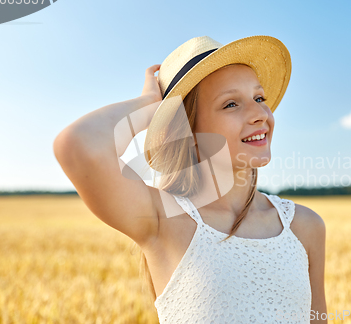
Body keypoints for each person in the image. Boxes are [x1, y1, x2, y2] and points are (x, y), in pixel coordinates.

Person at [53, 35, 327, 323]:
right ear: (190, 132)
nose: (260, 114)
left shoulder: (304, 227)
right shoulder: (165, 221)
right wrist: (149, 105)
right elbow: (77, 144)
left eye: (259, 98)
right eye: (231, 104)